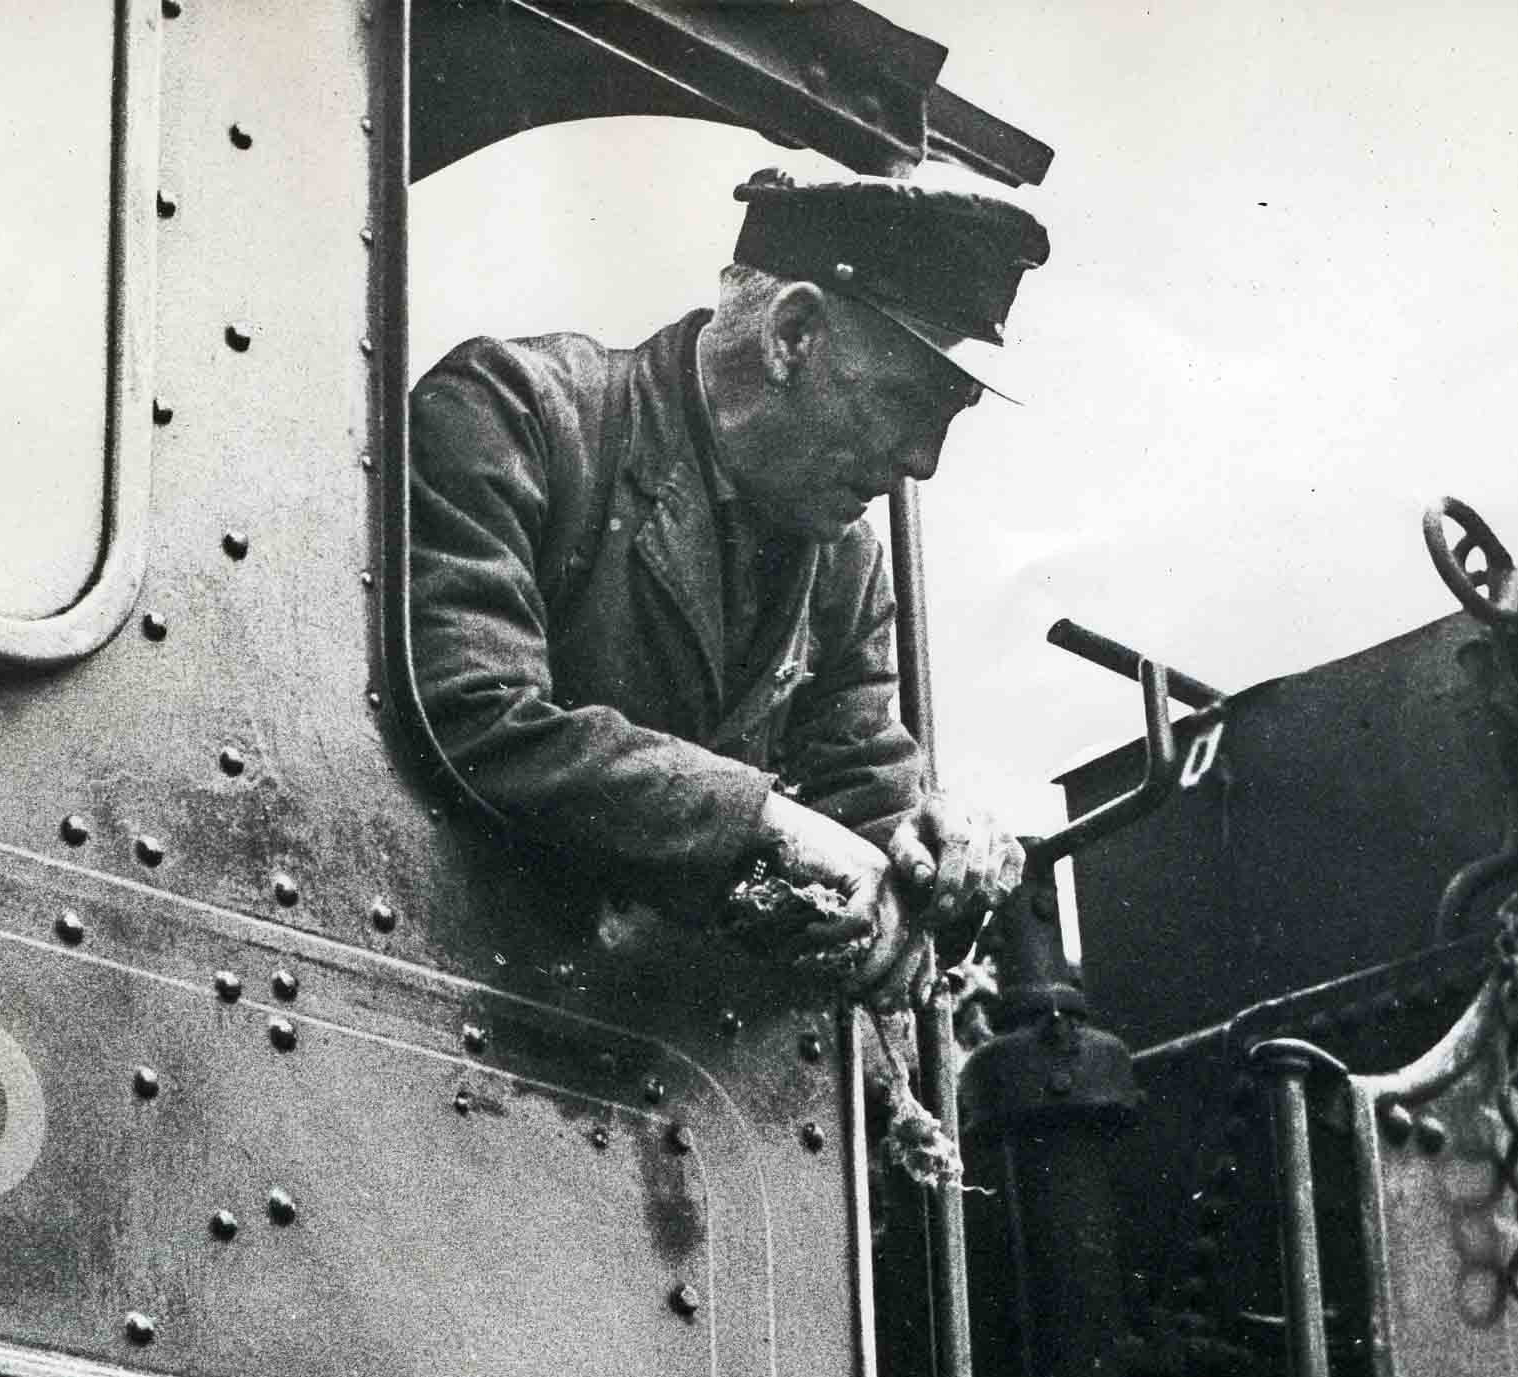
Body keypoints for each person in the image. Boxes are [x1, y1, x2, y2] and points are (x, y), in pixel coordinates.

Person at [408, 170, 1048, 1008]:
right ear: (791, 334)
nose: (921, 463)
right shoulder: (518, 414)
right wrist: (764, 826)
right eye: (904, 403)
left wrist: (928, 854)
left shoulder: (844, 565)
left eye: (948, 419)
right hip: (461, 993)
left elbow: (863, 802)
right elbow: (472, 712)